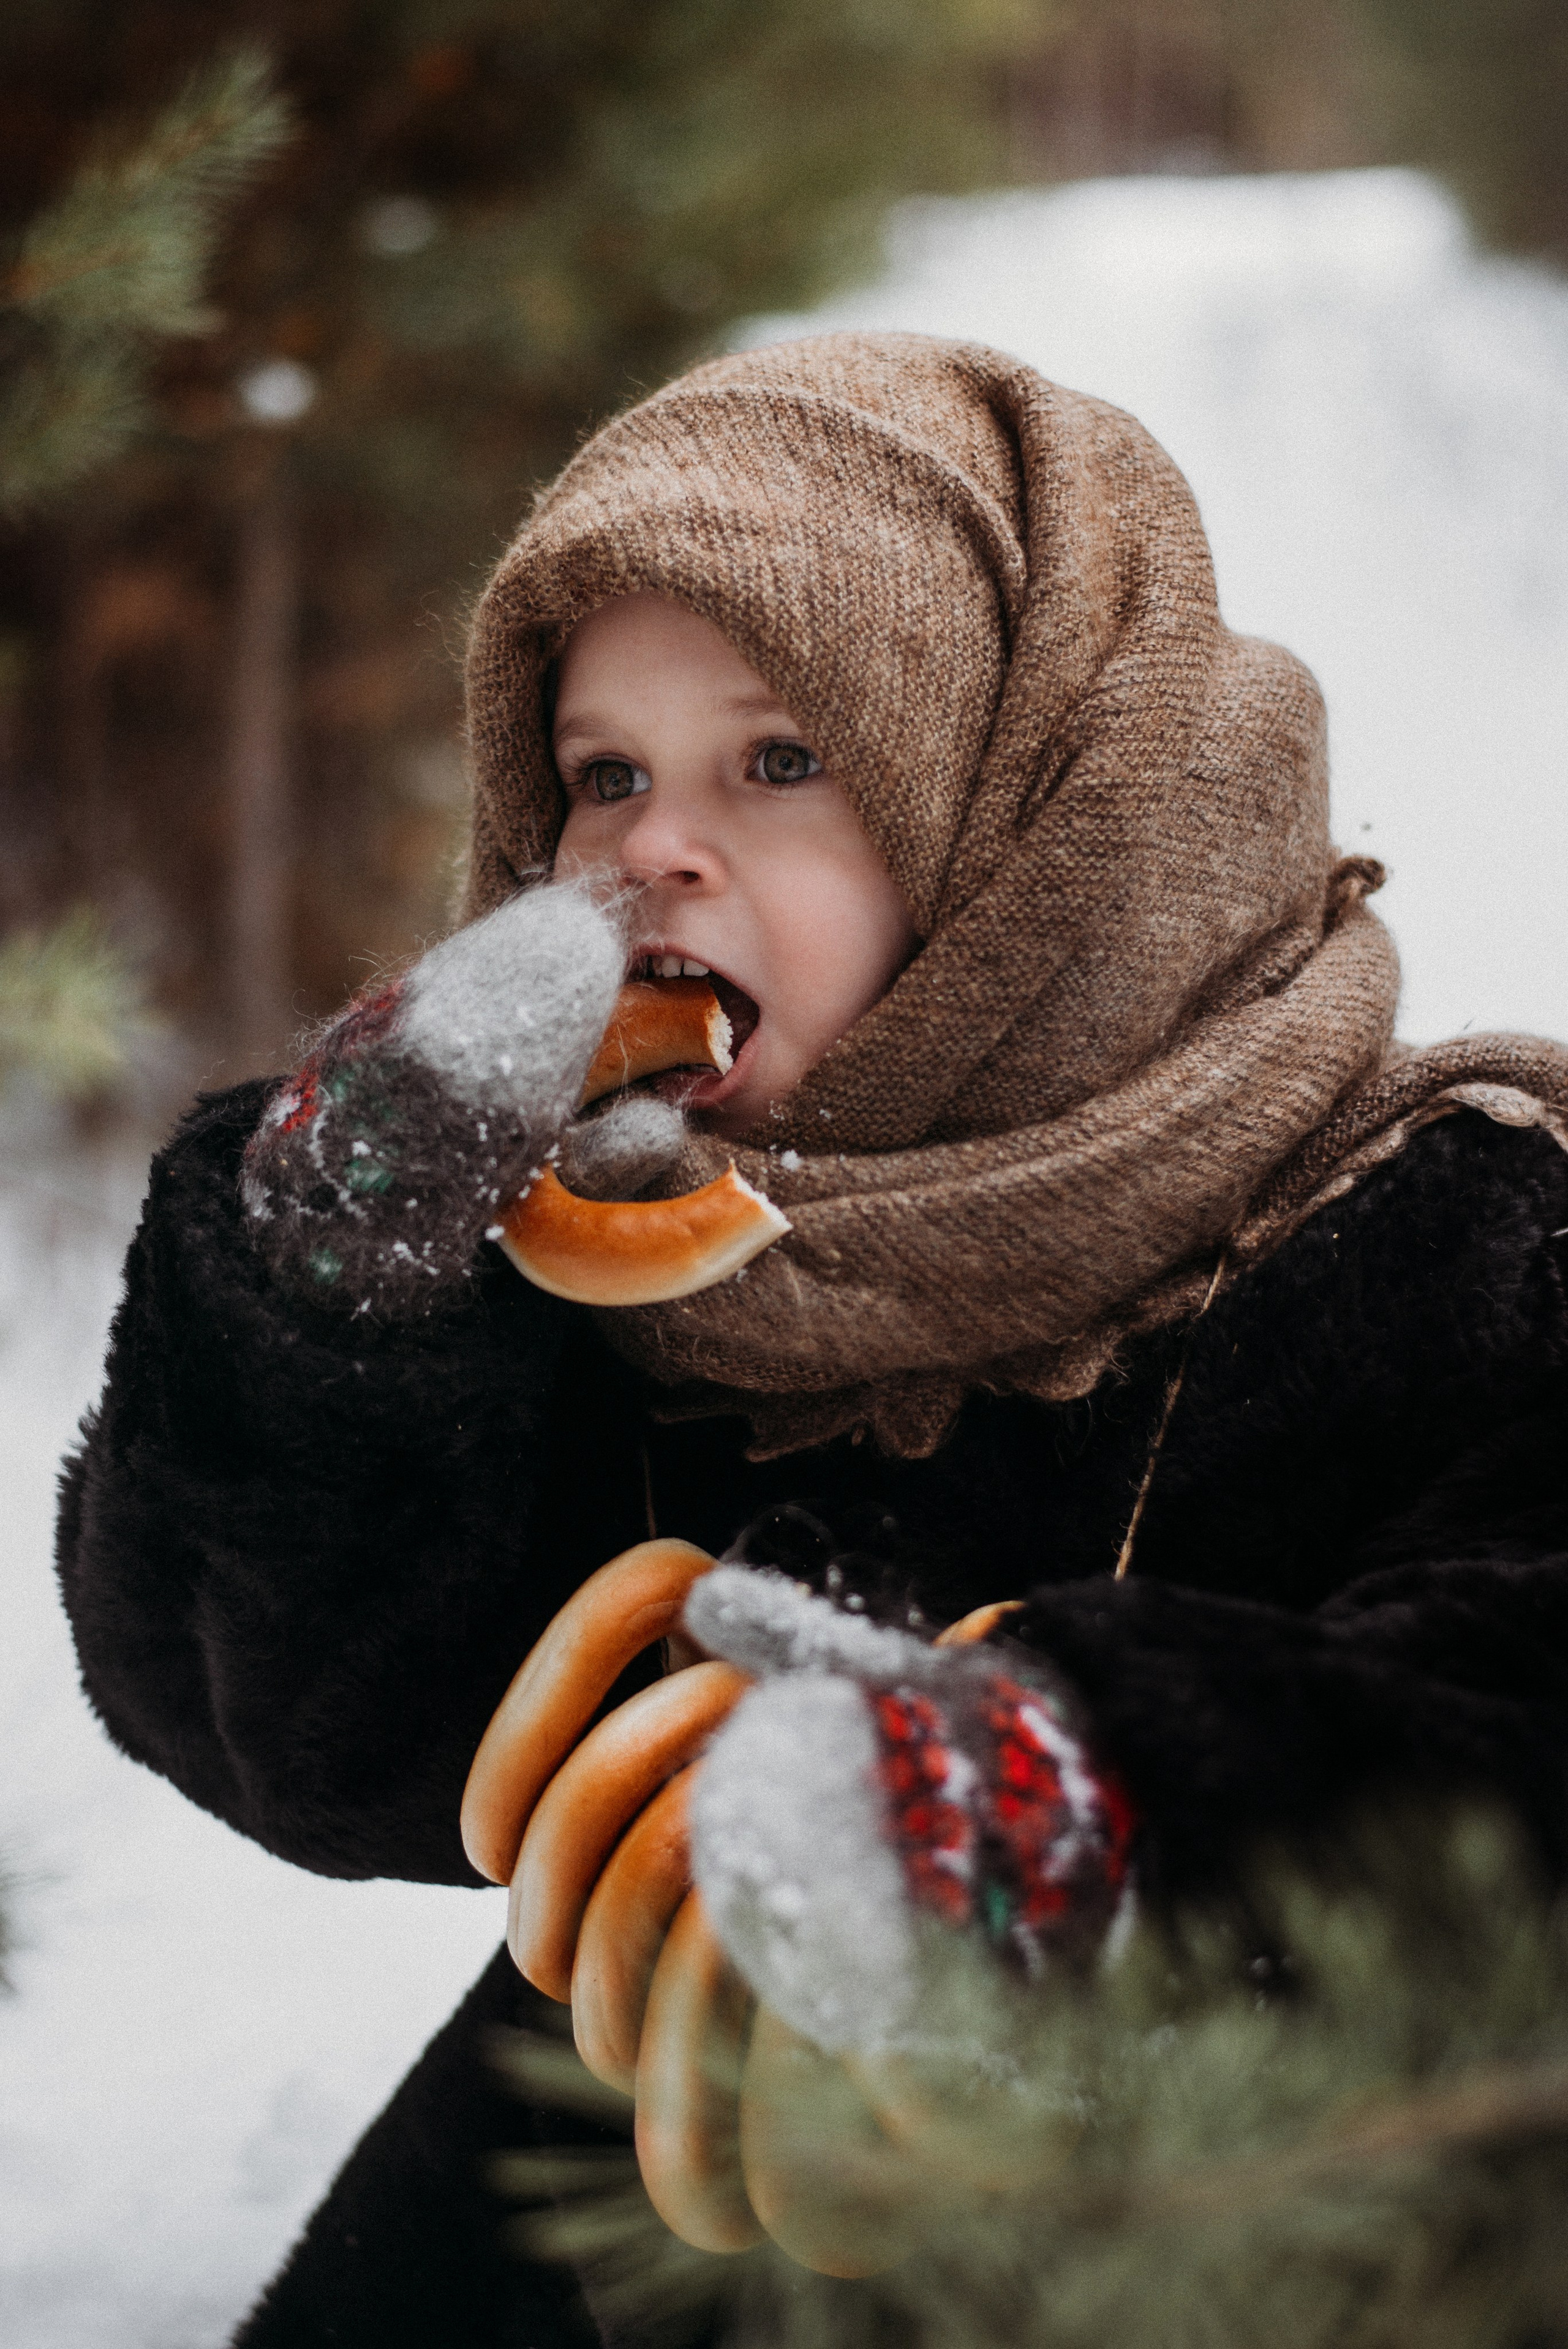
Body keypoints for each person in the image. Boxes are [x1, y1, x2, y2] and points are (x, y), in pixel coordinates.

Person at [56, 334, 1568, 2347]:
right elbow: (306, 1735)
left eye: (778, 759)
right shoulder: (628, 1281)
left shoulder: (1455, 1237)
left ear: (1040, 802)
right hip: (654, 2213)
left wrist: (1100, 1808)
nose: (652, 850)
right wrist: (332, 1290)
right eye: (605, 774)